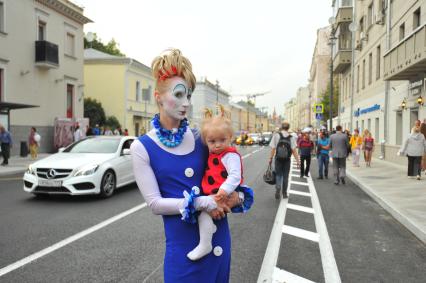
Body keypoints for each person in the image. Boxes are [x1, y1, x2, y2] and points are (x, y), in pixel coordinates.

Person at [130, 48, 239, 282]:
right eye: (178, 95)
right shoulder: (142, 147)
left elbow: (225, 175)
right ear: (158, 97)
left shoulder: (202, 137)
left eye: (188, 96)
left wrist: (234, 197)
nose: (186, 103)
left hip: (218, 241)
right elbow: (155, 203)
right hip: (184, 253)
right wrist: (202, 202)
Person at [187, 106, 253, 261]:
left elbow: (235, 176)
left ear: (230, 137)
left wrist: (224, 190)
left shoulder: (230, 155)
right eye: (212, 141)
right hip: (213, 194)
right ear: (206, 141)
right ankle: (206, 242)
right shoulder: (212, 153)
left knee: (204, 215)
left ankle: (205, 244)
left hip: (223, 193)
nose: (217, 145)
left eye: (222, 140)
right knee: (204, 216)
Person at [269, 122, 300, 199]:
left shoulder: (276, 135)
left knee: (278, 175)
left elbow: (273, 148)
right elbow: (294, 151)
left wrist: (270, 158)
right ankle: (284, 193)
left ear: (281, 127)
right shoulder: (291, 137)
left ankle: (278, 189)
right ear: (288, 128)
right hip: (287, 160)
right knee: (286, 177)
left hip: (278, 159)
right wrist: (298, 161)